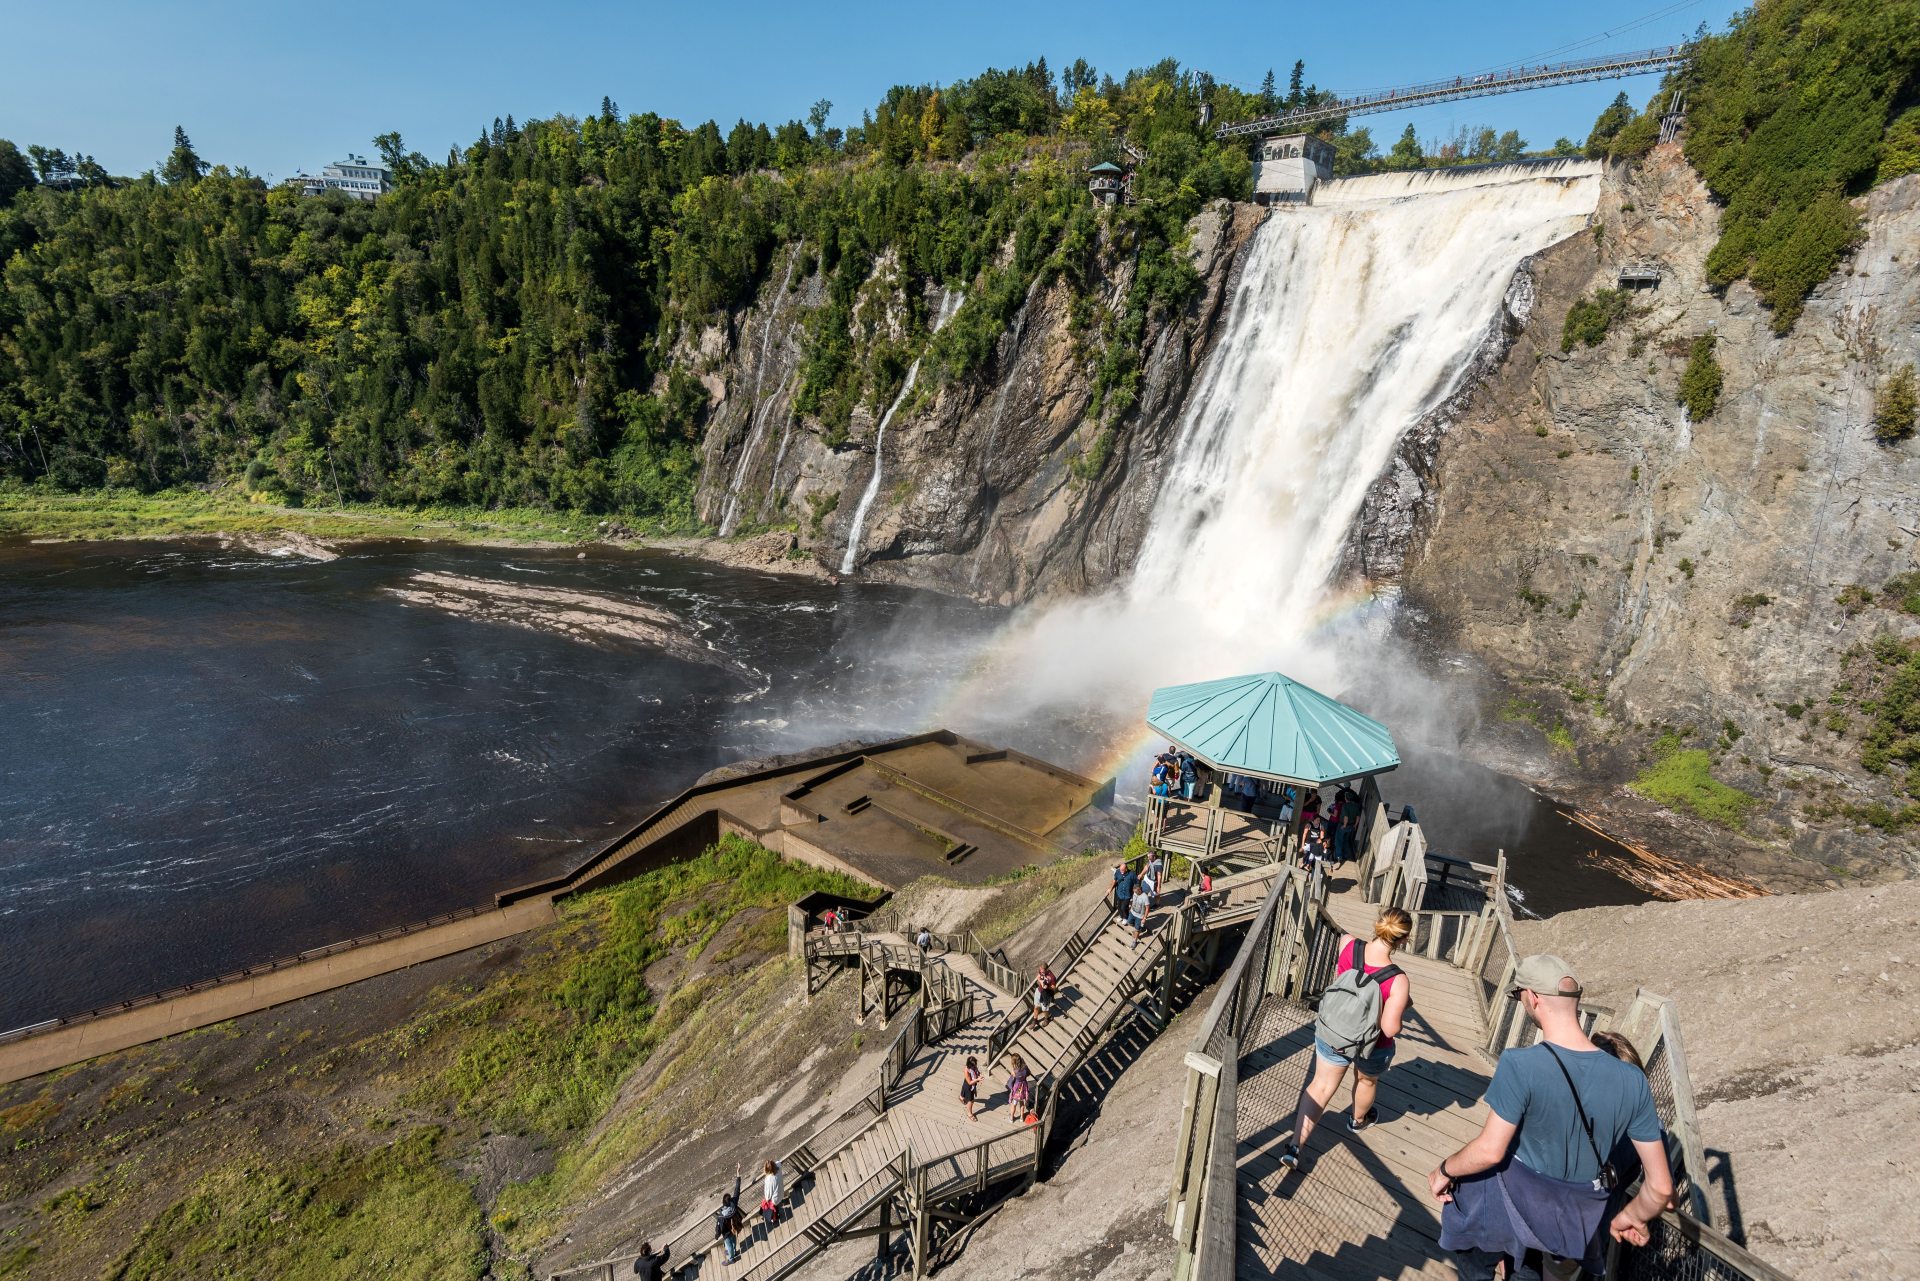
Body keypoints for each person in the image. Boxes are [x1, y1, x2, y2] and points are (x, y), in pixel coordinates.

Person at [1431, 955, 1674, 1281]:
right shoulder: (1632, 1081)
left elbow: (1489, 1151)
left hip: (1511, 1208)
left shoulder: (1520, 1063)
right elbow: (1660, 1188)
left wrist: (1444, 1170)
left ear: (1532, 997)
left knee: (1470, 1207)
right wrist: (1632, 1216)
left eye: (1519, 997)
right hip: (1571, 1220)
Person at [1280, 907, 1413, 1170]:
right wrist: (1402, 1004)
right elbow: (1390, 1029)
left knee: (1320, 1086)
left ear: (1378, 925)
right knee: (1366, 1080)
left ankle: (1295, 1147)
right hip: (1371, 1045)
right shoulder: (1397, 980)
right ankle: (1357, 1120)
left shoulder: (1347, 944)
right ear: (1403, 940)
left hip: (1335, 1031)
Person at [714, 1170, 745, 1264]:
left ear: (724, 1203)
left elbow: (719, 1227)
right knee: (733, 1240)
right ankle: (733, 1251)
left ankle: (731, 1258)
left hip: (726, 1233)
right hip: (734, 1226)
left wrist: (717, 1235)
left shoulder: (721, 1215)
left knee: (729, 1244)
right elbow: (737, 1190)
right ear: (730, 1200)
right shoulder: (734, 1204)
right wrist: (738, 1174)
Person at [759, 1158, 784, 1235]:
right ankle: (774, 1216)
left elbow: (768, 1196)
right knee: (777, 1206)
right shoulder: (778, 1167)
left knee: (773, 1209)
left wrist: (766, 1199)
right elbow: (779, 1162)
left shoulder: (770, 1179)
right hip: (780, 1192)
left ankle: (774, 1219)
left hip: (775, 1199)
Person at [1006, 1053, 1034, 1121]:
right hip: (1024, 1087)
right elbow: (1029, 1073)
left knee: (1014, 1104)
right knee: (1022, 1103)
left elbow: (1011, 1080)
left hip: (1017, 1089)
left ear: (1013, 1062)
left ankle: (1011, 1118)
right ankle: (1021, 1117)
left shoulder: (1014, 1071)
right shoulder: (1025, 1067)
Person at [961, 1054, 982, 1121]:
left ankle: (961, 1098)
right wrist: (978, 1079)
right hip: (969, 1086)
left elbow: (977, 1072)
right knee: (971, 1101)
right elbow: (970, 1082)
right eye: (973, 1065)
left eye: (975, 1064)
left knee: (963, 1094)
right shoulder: (966, 1070)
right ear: (969, 1064)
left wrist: (979, 1075)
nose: (975, 1065)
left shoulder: (974, 1066)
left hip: (968, 1084)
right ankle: (969, 1113)